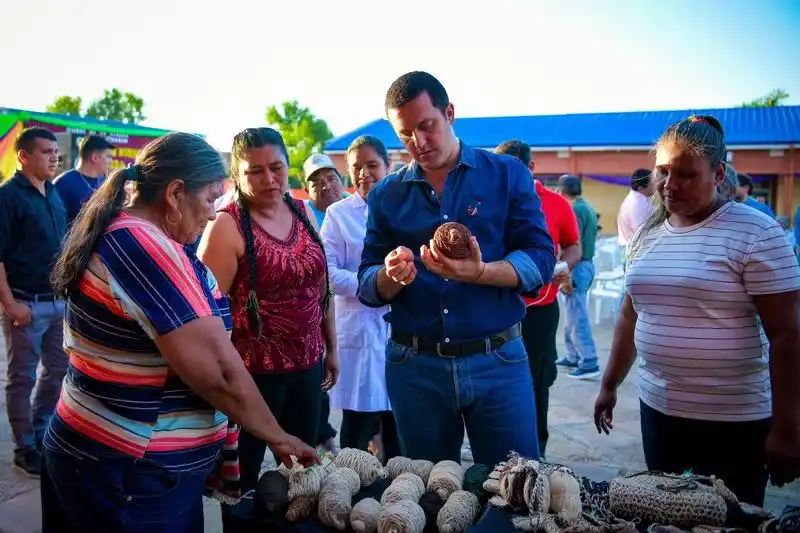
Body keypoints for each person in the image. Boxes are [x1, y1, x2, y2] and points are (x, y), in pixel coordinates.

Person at [40, 132, 318, 533]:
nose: (211, 214)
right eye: (208, 200)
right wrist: (277, 435)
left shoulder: (128, 231)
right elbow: (218, 371)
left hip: (109, 458)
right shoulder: (144, 245)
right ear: (174, 193)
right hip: (128, 471)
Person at [594, 115, 800, 507]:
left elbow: (788, 335)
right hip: (658, 410)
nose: (670, 185)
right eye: (663, 172)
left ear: (718, 172)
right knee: (664, 512)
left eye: (686, 174)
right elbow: (629, 314)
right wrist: (609, 385)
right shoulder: (647, 234)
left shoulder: (757, 233)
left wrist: (788, 427)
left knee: (728, 518)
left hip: (735, 420)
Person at [357, 71, 555, 467]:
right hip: (415, 367)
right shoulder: (386, 194)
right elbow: (367, 283)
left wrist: (481, 273)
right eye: (406, 134)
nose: (419, 142)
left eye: (426, 126)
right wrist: (390, 275)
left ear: (449, 113)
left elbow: (541, 258)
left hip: (497, 359)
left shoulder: (507, 174)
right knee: (427, 497)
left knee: (515, 490)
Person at [200, 128, 338, 494]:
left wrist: (332, 346)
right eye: (255, 171)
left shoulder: (301, 208)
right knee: (240, 484)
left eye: (276, 167)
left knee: (302, 477)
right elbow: (207, 318)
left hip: (307, 365)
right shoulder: (225, 226)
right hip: (250, 377)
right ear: (237, 176)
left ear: (288, 165)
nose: (268, 179)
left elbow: (320, 286)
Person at [494, 140, 581, 459]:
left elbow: (573, 246)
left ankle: (536, 452)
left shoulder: (557, 205)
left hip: (540, 312)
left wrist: (563, 266)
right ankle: (497, 454)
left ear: (531, 169)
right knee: (493, 383)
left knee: (536, 383)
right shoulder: (484, 203)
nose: (507, 176)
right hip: (495, 311)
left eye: (515, 168)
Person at [320, 135, 399, 461]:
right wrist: (373, 286)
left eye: (372, 166)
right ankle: (349, 497)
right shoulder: (339, 214)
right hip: (357, 327)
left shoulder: (404, 209)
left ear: (388, 166)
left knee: (398, 427)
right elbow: (327, 270)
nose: (364, 173)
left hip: (398, 328)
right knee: (356, 427)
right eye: (356, 167)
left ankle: (400, 499)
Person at [0, 127, 67, 477]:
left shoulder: (53, 193)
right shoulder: (8, 196)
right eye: (46, 151)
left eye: (56, 151)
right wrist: (11, 306)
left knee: (58, 371)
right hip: (26, 306)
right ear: (24, 156)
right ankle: (24, 447)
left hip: (59, 304)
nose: (54, 157)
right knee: (21, 378)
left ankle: (41, 435)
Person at [301, 152, 344, 453]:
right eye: (316, 182)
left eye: (331, 178)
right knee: (320, 381)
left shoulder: (360, 212)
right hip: (319, 312)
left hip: (354, 312)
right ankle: (322, 434)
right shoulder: (302, 216)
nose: (325, 186)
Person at [555, 175, 600, 379]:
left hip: (577, 266)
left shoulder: (573, 210)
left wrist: (565, 275)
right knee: (572, 313)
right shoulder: (587, 207)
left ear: (562, 192)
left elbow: (573, 246)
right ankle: (573, 355)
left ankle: (589, 361)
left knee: (577, 316)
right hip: (587, 264)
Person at [54, 134, 115, 225]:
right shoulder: (64, 182)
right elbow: (54, 222)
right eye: (109, 157)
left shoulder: (106, 183)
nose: (112, 161)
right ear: (95, 158)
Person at [617, 168, 653, 259]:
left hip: (634, 250)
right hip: (638, 252)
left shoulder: (636, 200)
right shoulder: (638, 204)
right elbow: (641, 232)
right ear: (641, 186)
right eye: (652, 183)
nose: (655, 185)